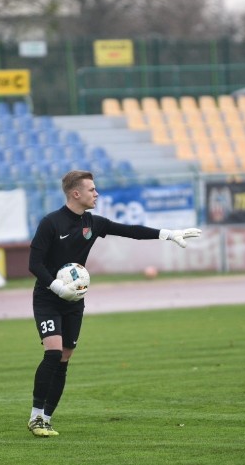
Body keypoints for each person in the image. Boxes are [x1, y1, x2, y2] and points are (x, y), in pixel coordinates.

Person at [26, 169, 201, 436]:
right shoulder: (51, 223)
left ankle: (47, 418)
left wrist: (167, 234)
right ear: (76, 193)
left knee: (64, 357)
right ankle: (35, 416)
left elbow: (130, 230)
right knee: (52, 352)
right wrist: (56, 285)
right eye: (92, 189)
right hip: (48, 298)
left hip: (74, 300)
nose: (97, 193)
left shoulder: (92, 223)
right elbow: (34, 263)